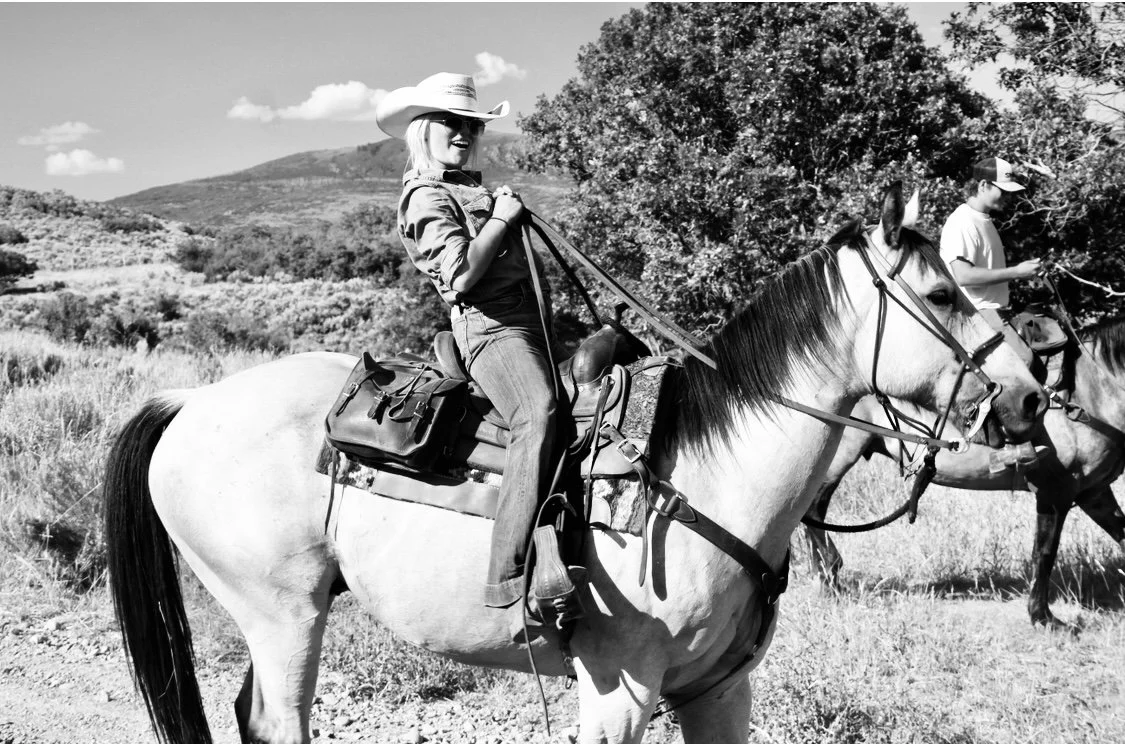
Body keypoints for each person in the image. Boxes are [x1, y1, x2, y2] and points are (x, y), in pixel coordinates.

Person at [375, 72, 558, 615]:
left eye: (470, 124)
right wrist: (502, 220)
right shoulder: (424, 193)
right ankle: (510, 577)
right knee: (537, 414)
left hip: (529, 324)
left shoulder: (471, 187)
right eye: (450, 123)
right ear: (423, 130)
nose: (462, 132)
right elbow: (458, 275)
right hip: (490, 328)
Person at [939, 156, 1042, 362]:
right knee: (1023, 360)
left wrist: (1024, 271)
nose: (1008, 197)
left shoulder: (983, 220)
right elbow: (963, 275)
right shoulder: (963, 221)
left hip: (995, 313)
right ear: (983, 185)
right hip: (976, 314)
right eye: (1003, 191)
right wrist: (1016, 272)